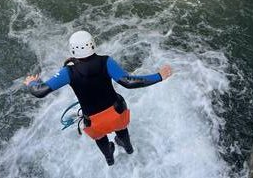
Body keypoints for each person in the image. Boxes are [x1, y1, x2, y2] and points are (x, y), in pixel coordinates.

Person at [24, 30, 172, 165]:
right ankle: (128, 148)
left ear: (72, 49)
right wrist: (159, 76)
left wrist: (32, 82)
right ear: (93, 44)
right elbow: (128, 82)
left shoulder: (68, 72)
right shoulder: (105, 61)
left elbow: (39, 91)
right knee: (121, 129)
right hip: (116, 111)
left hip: (94, 121)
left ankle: (109, 158)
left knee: (100, 138)